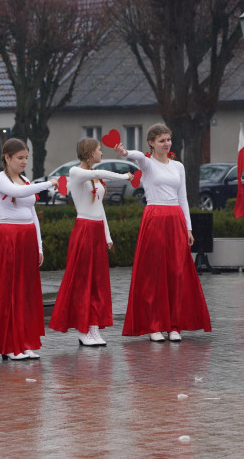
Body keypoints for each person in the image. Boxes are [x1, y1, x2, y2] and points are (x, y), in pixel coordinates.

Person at [116, 125, 212, 342]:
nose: (167, 143)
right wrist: (125, 153)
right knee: (154, 274)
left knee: (176, 272)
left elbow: (183, 198)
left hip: (175, 219)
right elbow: (138, 156)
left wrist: (188, 227)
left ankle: (174, 325)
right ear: (151, 142)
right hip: (155, 219)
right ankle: (154, 325)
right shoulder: (147, 163)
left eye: (168, 139)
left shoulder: (178, 166)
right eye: (161, 140)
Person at [0, 138, 56, 360]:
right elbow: (16, 193)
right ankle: (8, 345)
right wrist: (48, 183)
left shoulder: (26, 180)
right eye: (20, 158)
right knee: (7, 291)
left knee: (25, 292)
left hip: (27, 238)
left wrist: (39, 245)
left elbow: (33, 215)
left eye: (26, 158)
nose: (24, 162)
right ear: (7, 158)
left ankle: (25, 342)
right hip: (9, 237)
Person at [49, 138, 133, 346]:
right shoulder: (76, 173)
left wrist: (107, 235)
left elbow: (99, 207)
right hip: (84, 230)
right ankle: (82, 328)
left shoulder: (94, 179)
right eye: (99, 150)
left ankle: (93, 326)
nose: (102, 154)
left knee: (97, 282)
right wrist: (124, 176)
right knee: (82, 281)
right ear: (89, 153)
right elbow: (99, 173)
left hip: (96, 230)